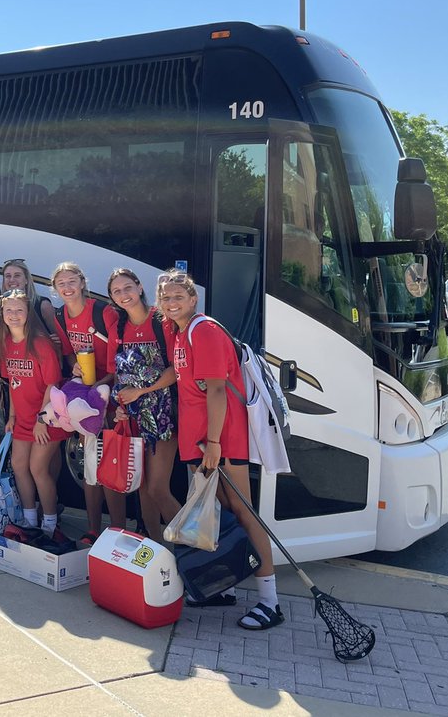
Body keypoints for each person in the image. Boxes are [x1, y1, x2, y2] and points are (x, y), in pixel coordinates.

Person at [158, 268, 282, 630]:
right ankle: (223, 587)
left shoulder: (204, 330)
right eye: (165, 297)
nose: (171, 302)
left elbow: (216, 389)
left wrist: (214, 444)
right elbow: (181, 376)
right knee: (221, 515)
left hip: (221, 440)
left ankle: (270, 602)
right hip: (199, 440)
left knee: (244, 513)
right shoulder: (179, 332)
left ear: (193, 298)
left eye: (178, 296)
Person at [105, 267, 181, 541]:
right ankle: (154, 546)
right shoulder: (118, 328)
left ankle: (192, 550)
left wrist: (141, 391)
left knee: (158, 488)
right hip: (135, 417)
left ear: (139, 287)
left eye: (128, 287)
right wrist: (121, 405)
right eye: (116, 291)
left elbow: (176, 370)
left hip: (165, 416)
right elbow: (118, 375)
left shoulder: (163, 321)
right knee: (143, 486)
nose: (123, 294)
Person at [51, 261, 124, 545]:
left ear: (82, 282)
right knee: (90, 463)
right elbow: (70, 354)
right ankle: (94, 530)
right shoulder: (60, 315)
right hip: (87, 398)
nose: (67, 288)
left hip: (111, 396)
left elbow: (119, 359)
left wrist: (101, 387)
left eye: (72, 281)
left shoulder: (102, 312)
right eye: (61, 284)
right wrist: (77, 370)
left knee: (110, 466)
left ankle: (117, 532)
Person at [0, 290, 66, 537]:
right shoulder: (6, 343)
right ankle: (29, 519)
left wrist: (41, 419)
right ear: (2, 313)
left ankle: (49, 523)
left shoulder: (40, 343)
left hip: (47, 419)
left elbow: (52, 384)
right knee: (19, 466)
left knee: (38, 469)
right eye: (9, 310)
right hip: (23, 420)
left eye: (19, 310)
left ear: (28, 313)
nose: (14, 315)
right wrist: (12, 417)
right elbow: (13, 384)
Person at [1, 259, 59, 348]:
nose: (12, 280)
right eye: (8, 276)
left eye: (17, 275)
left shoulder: (43, 305)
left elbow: (59, 338)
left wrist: (55, 342)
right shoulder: (1, 306)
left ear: (26, 280)